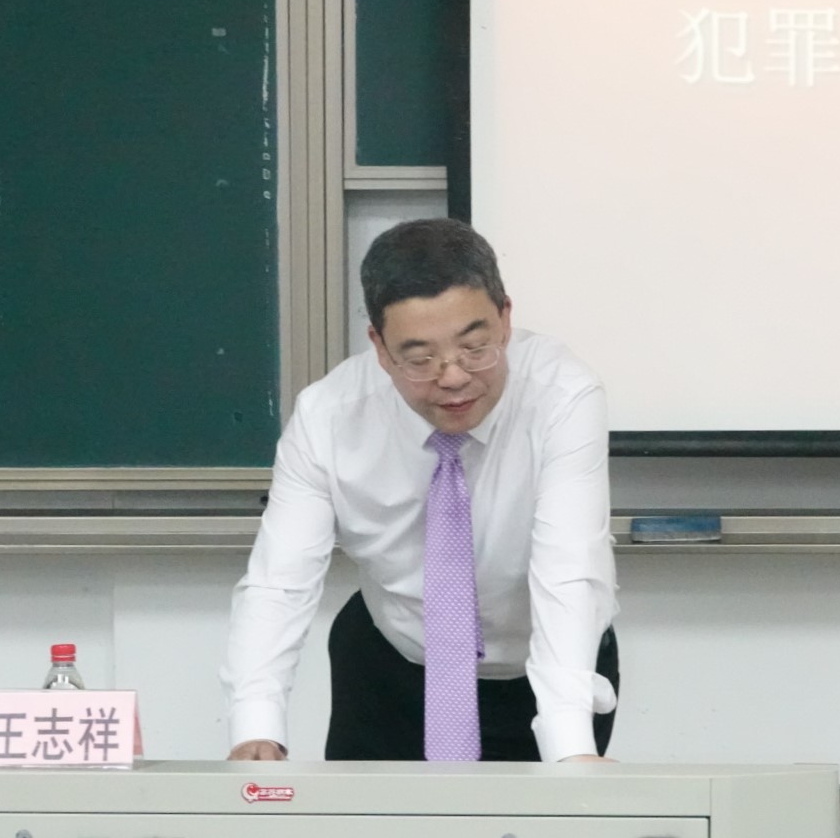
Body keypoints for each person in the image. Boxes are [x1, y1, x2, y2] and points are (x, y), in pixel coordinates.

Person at [221, 218, 618, 763]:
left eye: (474, 347)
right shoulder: (329, 417)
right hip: (390, 667)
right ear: (380, 348)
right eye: (420, 358)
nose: (453, 377)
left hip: (544, 669)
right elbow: (279, 582)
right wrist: (256, 728)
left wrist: (570, 745)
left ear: (505, 319)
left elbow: (568, 570)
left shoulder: (562, 396)